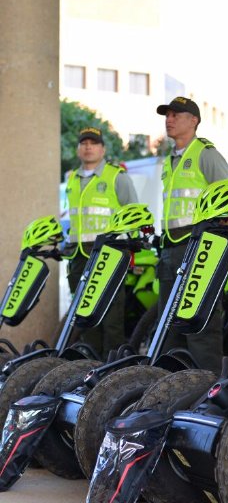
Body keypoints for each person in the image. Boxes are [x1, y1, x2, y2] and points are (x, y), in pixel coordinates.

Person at [155, 97, 228, 374]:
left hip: (200, 248)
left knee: (200, 324)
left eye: (176, 114)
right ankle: (169, 385)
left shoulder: (206, 154)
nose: (169, 119)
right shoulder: (170, 161)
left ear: (194, 120)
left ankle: (206, 388)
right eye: (167, 115)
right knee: (169, 325)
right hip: (171, 248)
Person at [65, 126, 138, 358]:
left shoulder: (117, 176)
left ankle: (112, 370)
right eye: (83, 143)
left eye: (93, 143)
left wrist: (132, 254)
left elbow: (134, 215)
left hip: (110, 255)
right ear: (78, 149)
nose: (88, 147)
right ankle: (92, 367)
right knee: (85, 317)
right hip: (79, 256)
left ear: (103, 148)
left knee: (112, 318)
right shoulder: (72, 179)